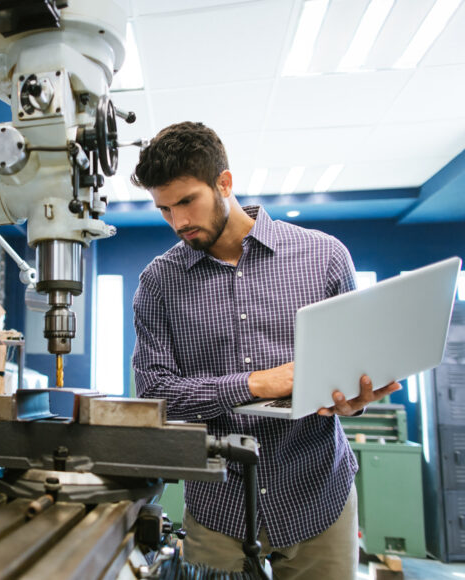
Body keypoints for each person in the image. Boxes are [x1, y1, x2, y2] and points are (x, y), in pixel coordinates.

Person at [130, 122, 400, 579]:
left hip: (318, 495)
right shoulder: (159, 282)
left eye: (186, 202)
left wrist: (354, 400)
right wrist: (253, 384)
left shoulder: (325, 257)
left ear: (224, 183)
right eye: (163, 210)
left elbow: (355, 369)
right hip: (219, 505)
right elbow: (156, 394)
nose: (177, 223)